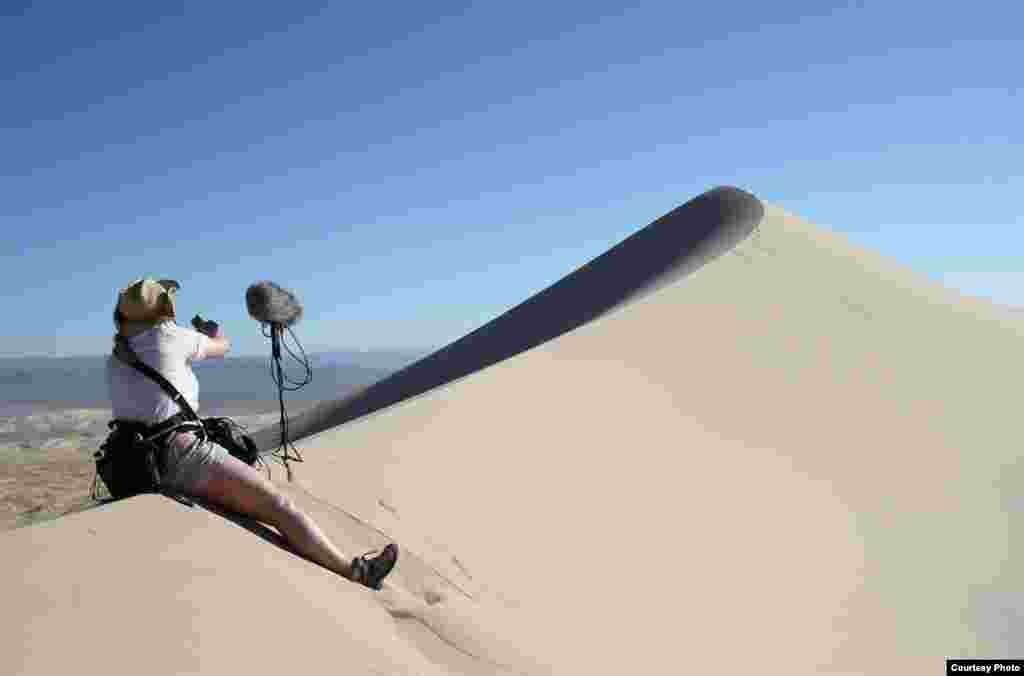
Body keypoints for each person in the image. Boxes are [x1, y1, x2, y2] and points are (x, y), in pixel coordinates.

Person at [106, 278, 398, 590]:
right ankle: (354, 571)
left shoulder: (118, 354)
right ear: (164, 308)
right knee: (279, 507)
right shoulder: (170, 337)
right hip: (185, 458)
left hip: (135, 463)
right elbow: (222, 347)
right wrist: (211, 333)